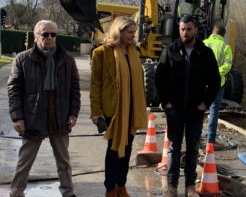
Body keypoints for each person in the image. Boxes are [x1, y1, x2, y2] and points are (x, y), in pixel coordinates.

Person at [8, 20, 80, 197]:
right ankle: (16, 193)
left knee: (64, 161)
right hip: (33, 117)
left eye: (53, 34)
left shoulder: (67, 59)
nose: (50, 38)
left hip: (60, 117)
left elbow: (75, 88)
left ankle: (68, 192)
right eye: (45, 34)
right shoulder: (23, 59)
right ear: (36, 37)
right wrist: (17, 117)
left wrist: (73, 113)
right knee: (25, 161)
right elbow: (14, 89)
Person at [156, 15, 220, 197]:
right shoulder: (170, 51)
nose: (185, 32)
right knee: (173, 148)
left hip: (195, 110)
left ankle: (190, 186)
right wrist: (166, 102)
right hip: (174, 109)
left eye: (189, 29)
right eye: (182, 29)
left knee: (192, 148)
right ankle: (171, 186)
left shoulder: (205, 53)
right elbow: (160, 78)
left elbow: (215, 81)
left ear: (196, 30)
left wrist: (205, 103)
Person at [90, 16, 148, 197]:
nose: (133, 35)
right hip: (113, 110)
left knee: (128, 148)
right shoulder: (101, 52)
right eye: (129, 32)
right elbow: (95, 84)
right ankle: (110, 189)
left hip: (131, 109)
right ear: (119, 32)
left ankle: (121, 185)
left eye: (134, 32)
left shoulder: (134, 52)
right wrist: (96, 112)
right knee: (114, 149)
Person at [203, 22, 233, 144]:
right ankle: (211, 139)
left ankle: (194, 135)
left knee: (198, 108)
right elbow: (228, 65)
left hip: (202, 82)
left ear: (213, 31)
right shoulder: (226, 47)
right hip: (218, 84)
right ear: (223, 35)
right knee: (214, 110)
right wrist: (216, 72)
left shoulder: (203, 44)